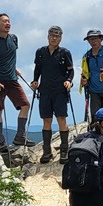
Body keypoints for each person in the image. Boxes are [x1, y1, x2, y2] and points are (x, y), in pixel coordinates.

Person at [0, 13, 33, 151]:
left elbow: (10, 57)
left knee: (25, 105)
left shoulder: (14, 39)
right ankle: (0, 141)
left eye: (8, 21)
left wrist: (14, 68)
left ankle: (20, 136)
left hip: (12, 79)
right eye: (4, 21)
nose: (7, 24)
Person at [31, 25, 74, 164]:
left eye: (57, 36)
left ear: (60, 38)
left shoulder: (65, 53)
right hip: (44, 90)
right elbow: (38, 68)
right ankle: (47, 151)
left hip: (60, 91)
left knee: (61, 118)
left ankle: (64, 151)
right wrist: (35, 80)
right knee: (46, 120)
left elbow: (71, 70)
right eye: (52, 35)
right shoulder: (40, 52)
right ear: (48, 36)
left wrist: (68, 81)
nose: (54, 38)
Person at [79, 29, 103, 115]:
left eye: (95, 38)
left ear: (101, 39)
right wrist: (84, 81)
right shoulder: (87, 56)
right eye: (90, 39)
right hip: (93, 91)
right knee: (95, 117)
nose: (93, 41)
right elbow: (85, 73)